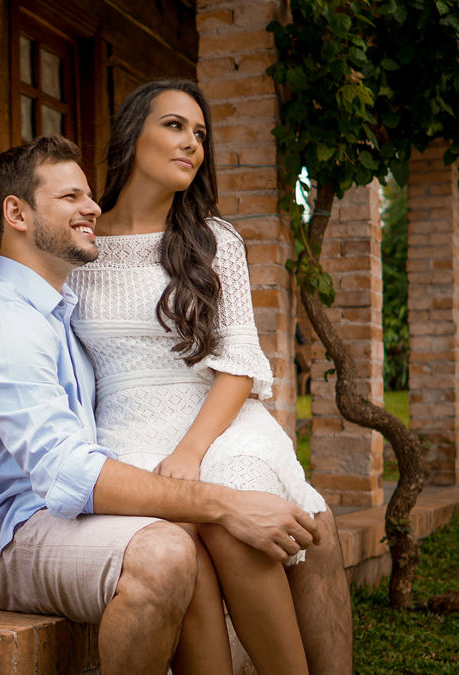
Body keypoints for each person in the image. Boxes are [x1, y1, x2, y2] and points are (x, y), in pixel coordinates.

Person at [0, 133, 321, 674]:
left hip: (67, 518)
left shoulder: (60, 311)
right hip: (15, 537)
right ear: (17, 214)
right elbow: (67, 472)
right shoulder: (1, 323)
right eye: (71, 197)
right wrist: (228, 503)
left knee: (183, 535)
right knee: (165, 551)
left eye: (89, 195)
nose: (92, 207)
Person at [67, 79, 352, 673]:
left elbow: (240, 362)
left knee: (234, 513)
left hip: (219, 423)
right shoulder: (81, 249)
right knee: (190, 532)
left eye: (200, 134)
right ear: (132, 136)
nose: (192, 143)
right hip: (125, 434)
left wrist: (193, 452)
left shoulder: (214, 241)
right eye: (174, 126)